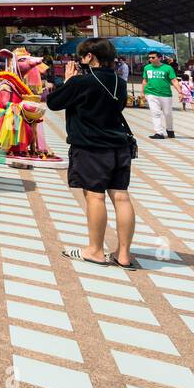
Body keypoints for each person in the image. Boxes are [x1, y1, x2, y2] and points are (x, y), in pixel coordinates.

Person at [47, 38, 136, 268]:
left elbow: (54, 103)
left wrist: (68, 81)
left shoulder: (82, 82)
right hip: (119, 146)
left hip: (91, 146)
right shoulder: (119, 81)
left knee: (95, 196)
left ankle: (95, 250)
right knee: (121, 196)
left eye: (82, 56)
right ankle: (124, 254)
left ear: (90, 57)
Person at [141, 50, 181, 139]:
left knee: (168, 113)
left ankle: (170, 130)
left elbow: (174, 80)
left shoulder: (168, 68)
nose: (151, 59)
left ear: (159, 58)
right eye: (149, 58)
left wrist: (180, 92)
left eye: (153, 57)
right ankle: (158, 133)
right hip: (151, 93)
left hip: (165, 94)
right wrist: (143, 93)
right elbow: (145, 80)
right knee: (155, 113)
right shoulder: (147, 68)